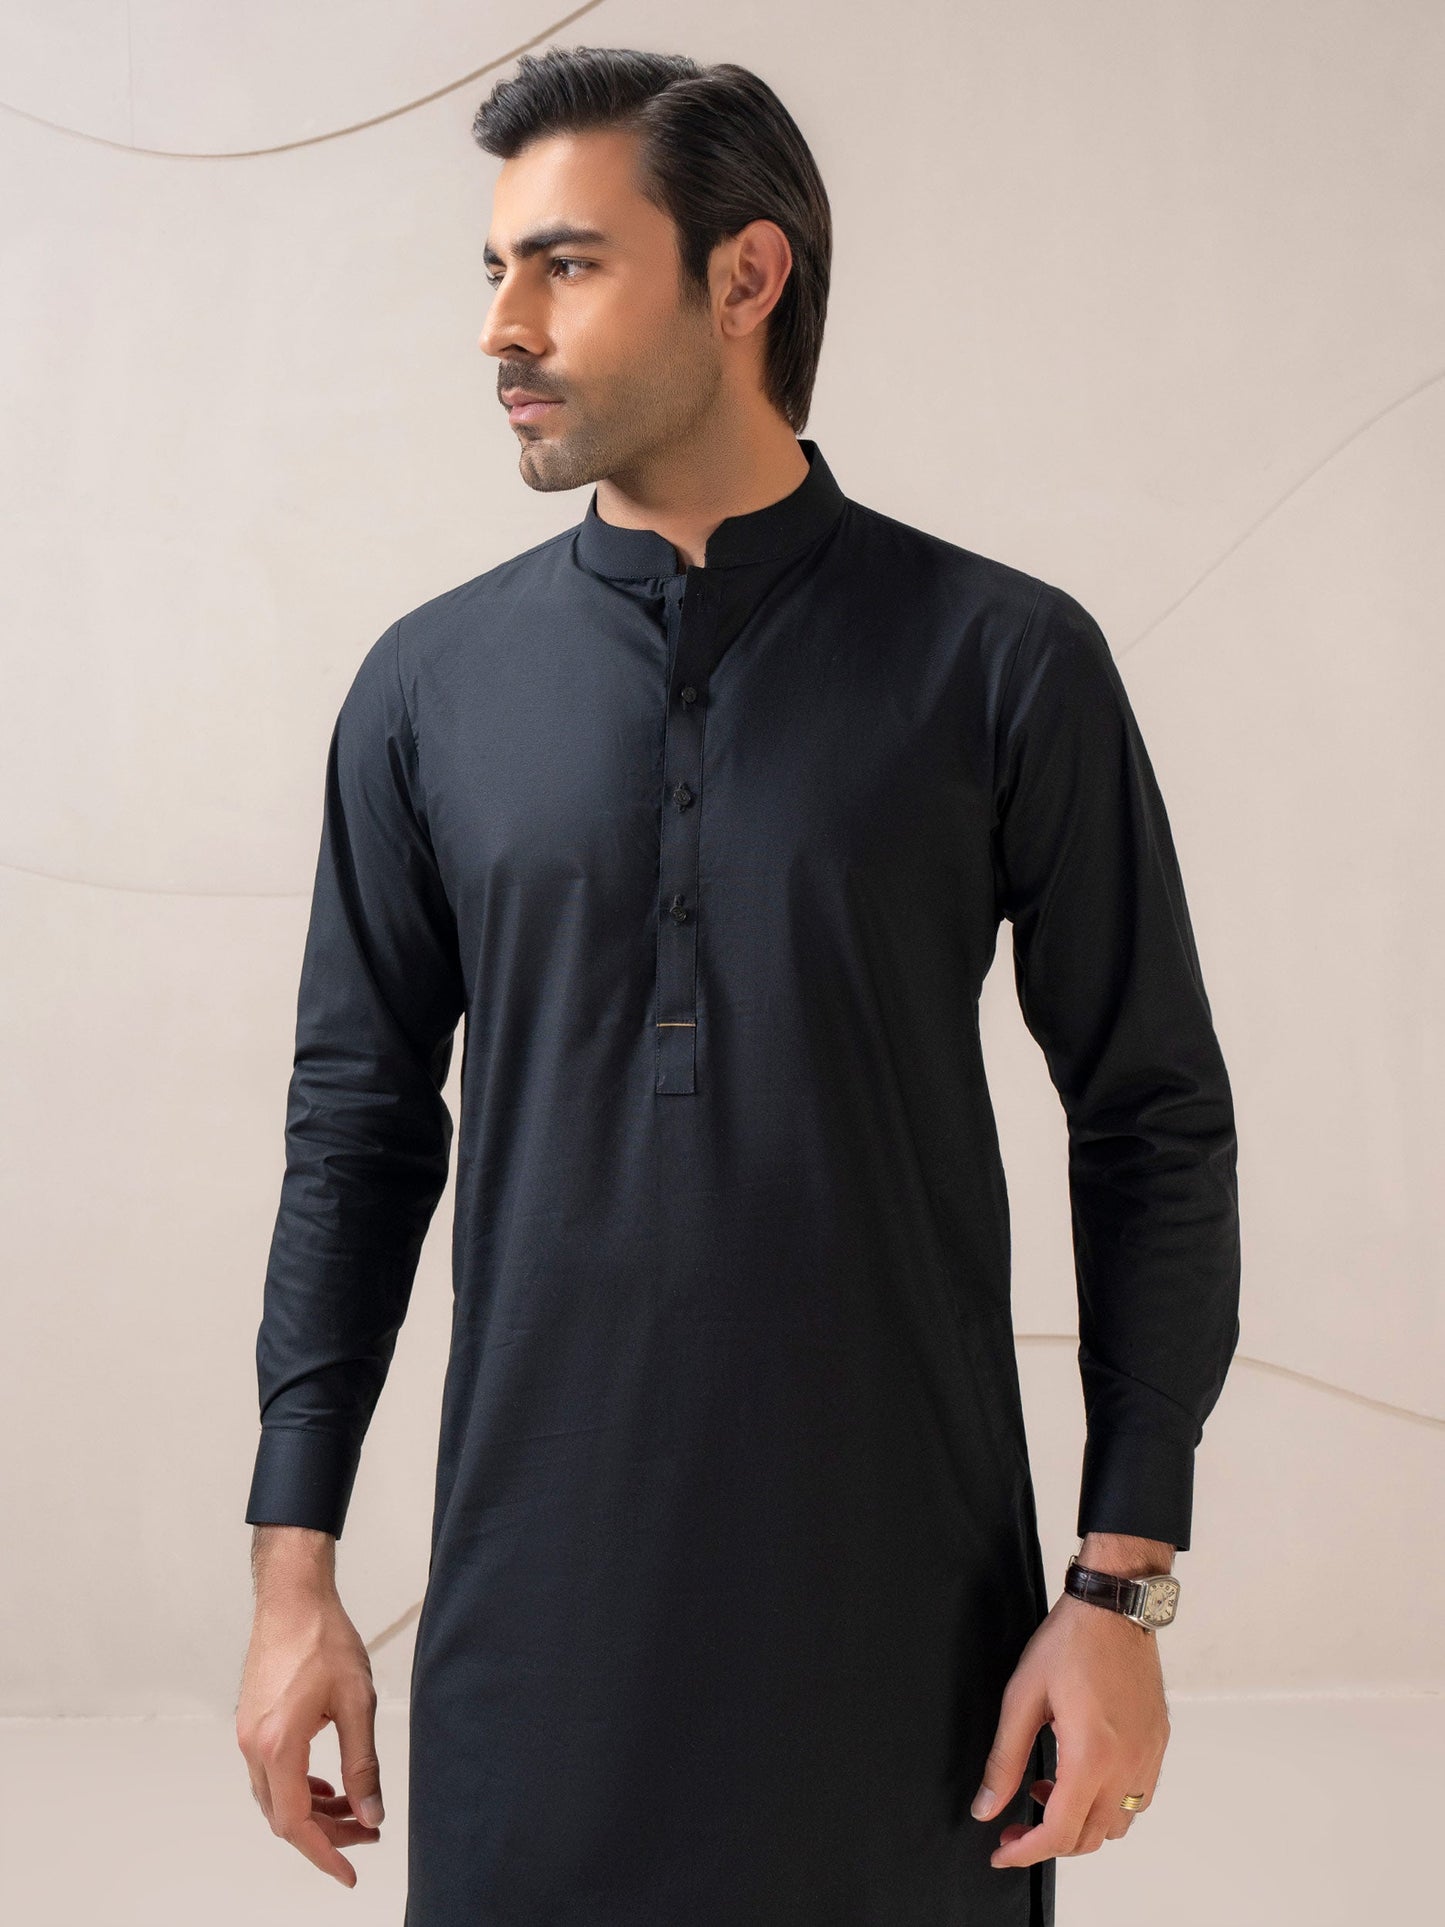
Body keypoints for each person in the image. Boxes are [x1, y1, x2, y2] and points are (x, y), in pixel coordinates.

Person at [234, 45, 1240, 1927]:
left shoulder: (1000, 661)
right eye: (494, 272)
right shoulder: (428, 690)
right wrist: (293, 1579)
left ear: (745, 276)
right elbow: (354, 1137)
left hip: (917, 1668)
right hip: (531, 1658)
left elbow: (1151, 1120)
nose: (502, 327)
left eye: (565, 264)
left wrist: (1117, 1592)